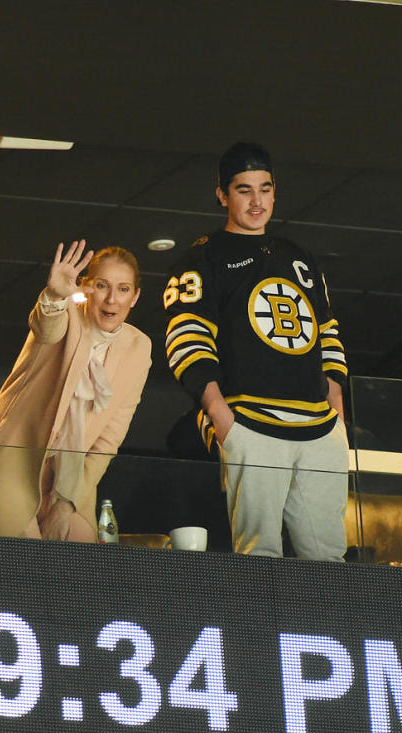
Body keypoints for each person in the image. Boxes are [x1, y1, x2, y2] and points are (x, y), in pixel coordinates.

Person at [162, 142, 348, 559]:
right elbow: (186, 338)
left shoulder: (298, 257)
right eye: (244, 189)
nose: (256, 200)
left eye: (264, 188)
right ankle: (260, 628)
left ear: (275, 191)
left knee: (330, 561)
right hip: (250, 422)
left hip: (319, 427)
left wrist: (335, 405)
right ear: (222, 195)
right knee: (258, 558)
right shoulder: (201, 259)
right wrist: (222, 417)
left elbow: (328, 331)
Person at [0, 240, 152, 541]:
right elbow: (46, 327)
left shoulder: (139, 348)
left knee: (77, 572)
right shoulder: (67, 313)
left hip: (71, 478)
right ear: (85, 287)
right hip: (15, 460)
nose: (112, 299)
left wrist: (67, 502)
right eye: (102, 285)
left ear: (135, 297)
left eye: (123, 289)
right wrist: (54, 296)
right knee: (24, 572)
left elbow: (109, 440)